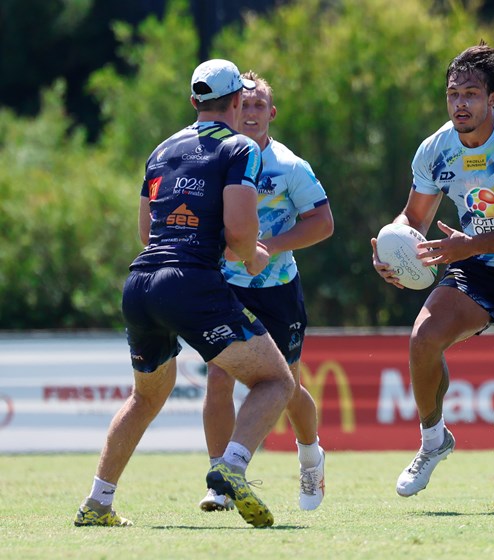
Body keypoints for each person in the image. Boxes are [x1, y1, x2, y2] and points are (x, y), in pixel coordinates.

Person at [73, 59, 296, 529]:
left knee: (146, 397)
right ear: (237, 101)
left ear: (194, 102)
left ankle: (98, 502)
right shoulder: (240, 148)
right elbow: (238, 233)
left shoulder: (161, 150)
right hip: (190, 283)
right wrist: (253, 256)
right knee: (276, 381)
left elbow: (145, 230)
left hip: (140, 284)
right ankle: (230, 467)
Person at [371, 42, 494, 497]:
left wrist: (470, 244)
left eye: (471, 94)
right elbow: (414, 218)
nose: (460, 103)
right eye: (453, 94)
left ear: (493, 98)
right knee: (422, 339)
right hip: (475, 266)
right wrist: (391, 246)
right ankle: (433, 440)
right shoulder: (435, 150)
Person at [199, 70, 333, 513]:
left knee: (288, 388)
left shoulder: (290, 167)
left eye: (261, 106)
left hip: (277, 289)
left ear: (270, 114)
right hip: (227, 289)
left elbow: (323, 224)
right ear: (234, 109)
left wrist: (269, 248)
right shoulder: (215, 159)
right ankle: (220, 481)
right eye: (246, 104)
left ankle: (311, 456)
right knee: (218, 380)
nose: (252, 113)